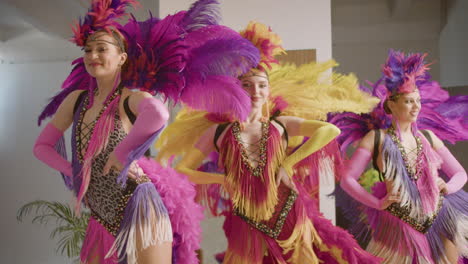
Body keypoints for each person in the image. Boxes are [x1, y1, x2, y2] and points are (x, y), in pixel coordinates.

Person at [32, 0, 261, 263]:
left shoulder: (130, 98)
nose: (93, 56)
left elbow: (159, 114)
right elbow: (41, 146)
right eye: (88, 50)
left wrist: (122, 153)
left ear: (121, 58)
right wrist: (72, 168)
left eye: (101, 49)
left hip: (139, 209)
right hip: (100, 214)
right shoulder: (76, 100)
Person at [157, 21, 382, 263]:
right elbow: (182, 169)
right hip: (245, 219)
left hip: (289, 213)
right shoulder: (218, 132)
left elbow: (329, 130)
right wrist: (222, 179)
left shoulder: (281, 124)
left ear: (268, 90)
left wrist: (289, 164)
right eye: (247, 85)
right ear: (236, 89)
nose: (255, 91)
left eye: (262, 85)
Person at [335, 50, 468, 263]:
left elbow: (460, 173)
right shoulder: (376, 138)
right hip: (399, 222)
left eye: (418, 101)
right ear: (392, 104)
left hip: (439, 217)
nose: (416, 106)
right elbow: (347, 180)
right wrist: (376, 203)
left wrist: (448, 187)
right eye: (408, 101)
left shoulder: (428, 137)